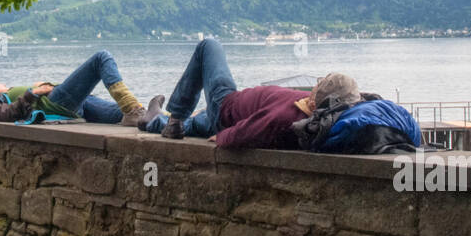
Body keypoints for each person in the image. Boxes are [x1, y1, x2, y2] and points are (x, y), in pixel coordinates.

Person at [141, 37, 360, 149]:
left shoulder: (286, 116)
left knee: (209, 46)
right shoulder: (325, 111)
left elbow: (251, 131)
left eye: (318, 87)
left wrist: (224, 136)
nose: (314, 87)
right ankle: (154, 120)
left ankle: (176, 117)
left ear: (316, 101)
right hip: (234, 114)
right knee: (196, 125)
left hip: (226, 106)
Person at [0, 49, 154, 127]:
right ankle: (132, 109)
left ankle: (169, 120)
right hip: (57, 102)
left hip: (72, 104)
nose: (2, 84)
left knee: (128, 116)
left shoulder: (0, 96)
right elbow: (7, 115)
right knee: (102, 58)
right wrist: (32, 93)